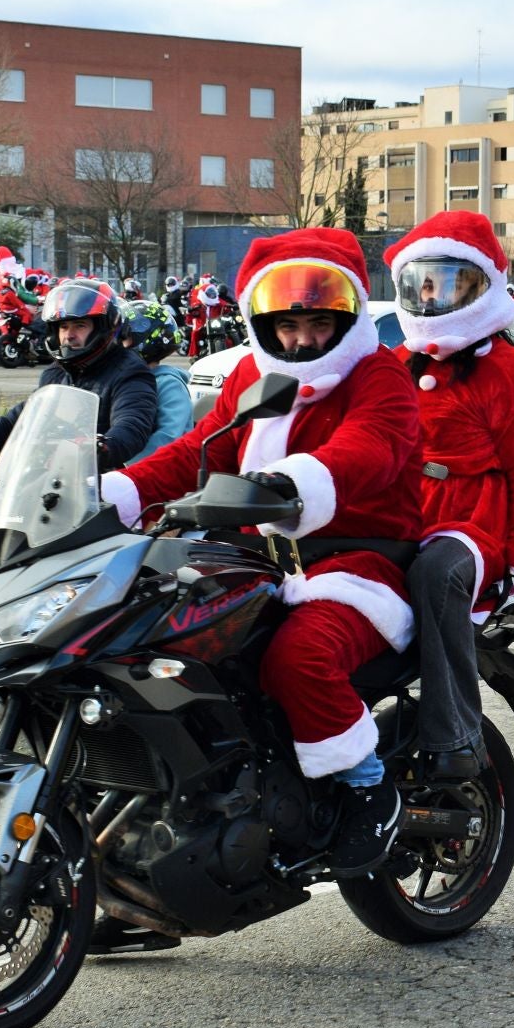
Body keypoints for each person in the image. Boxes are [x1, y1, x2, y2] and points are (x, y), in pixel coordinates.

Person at [99, 228, 423, 878]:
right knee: (150, 644)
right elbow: (202, 450)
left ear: (347, 317)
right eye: (287, 323)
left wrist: (289, 482)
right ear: (262, 322)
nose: (302, 339)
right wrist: (118, 491)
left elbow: (369, 448)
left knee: (297, 657)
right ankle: (166, 819)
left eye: (317, 323)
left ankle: (368, 786)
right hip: (257, 559)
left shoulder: (378, 373)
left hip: (354, 562)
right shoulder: (252, 372)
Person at [385, 212, 514, 783]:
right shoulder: (390, 366)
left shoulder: (513, 372)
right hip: (397, 513)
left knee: (436, 573)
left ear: (480, 286)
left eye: (449, 282)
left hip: (468, 524)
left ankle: (457, 734)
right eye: (423, 283)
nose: (433, 296)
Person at [0, 279, 160, 468]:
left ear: (102, 329)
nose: (69, 335)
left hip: (97, 484)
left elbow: (132, 426)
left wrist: (100, 446)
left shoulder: (130, 372)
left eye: (80, 325)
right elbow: (14, 423)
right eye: (63, 327)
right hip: (46, 479)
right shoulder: (55, 373)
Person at [117, 299, 191, 463]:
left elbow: (168, 436)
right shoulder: (122, 380)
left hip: (163, 471)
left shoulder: (169, 385)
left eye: (123, 338)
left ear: (145, 340)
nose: (116, 344)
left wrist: (125, 466)